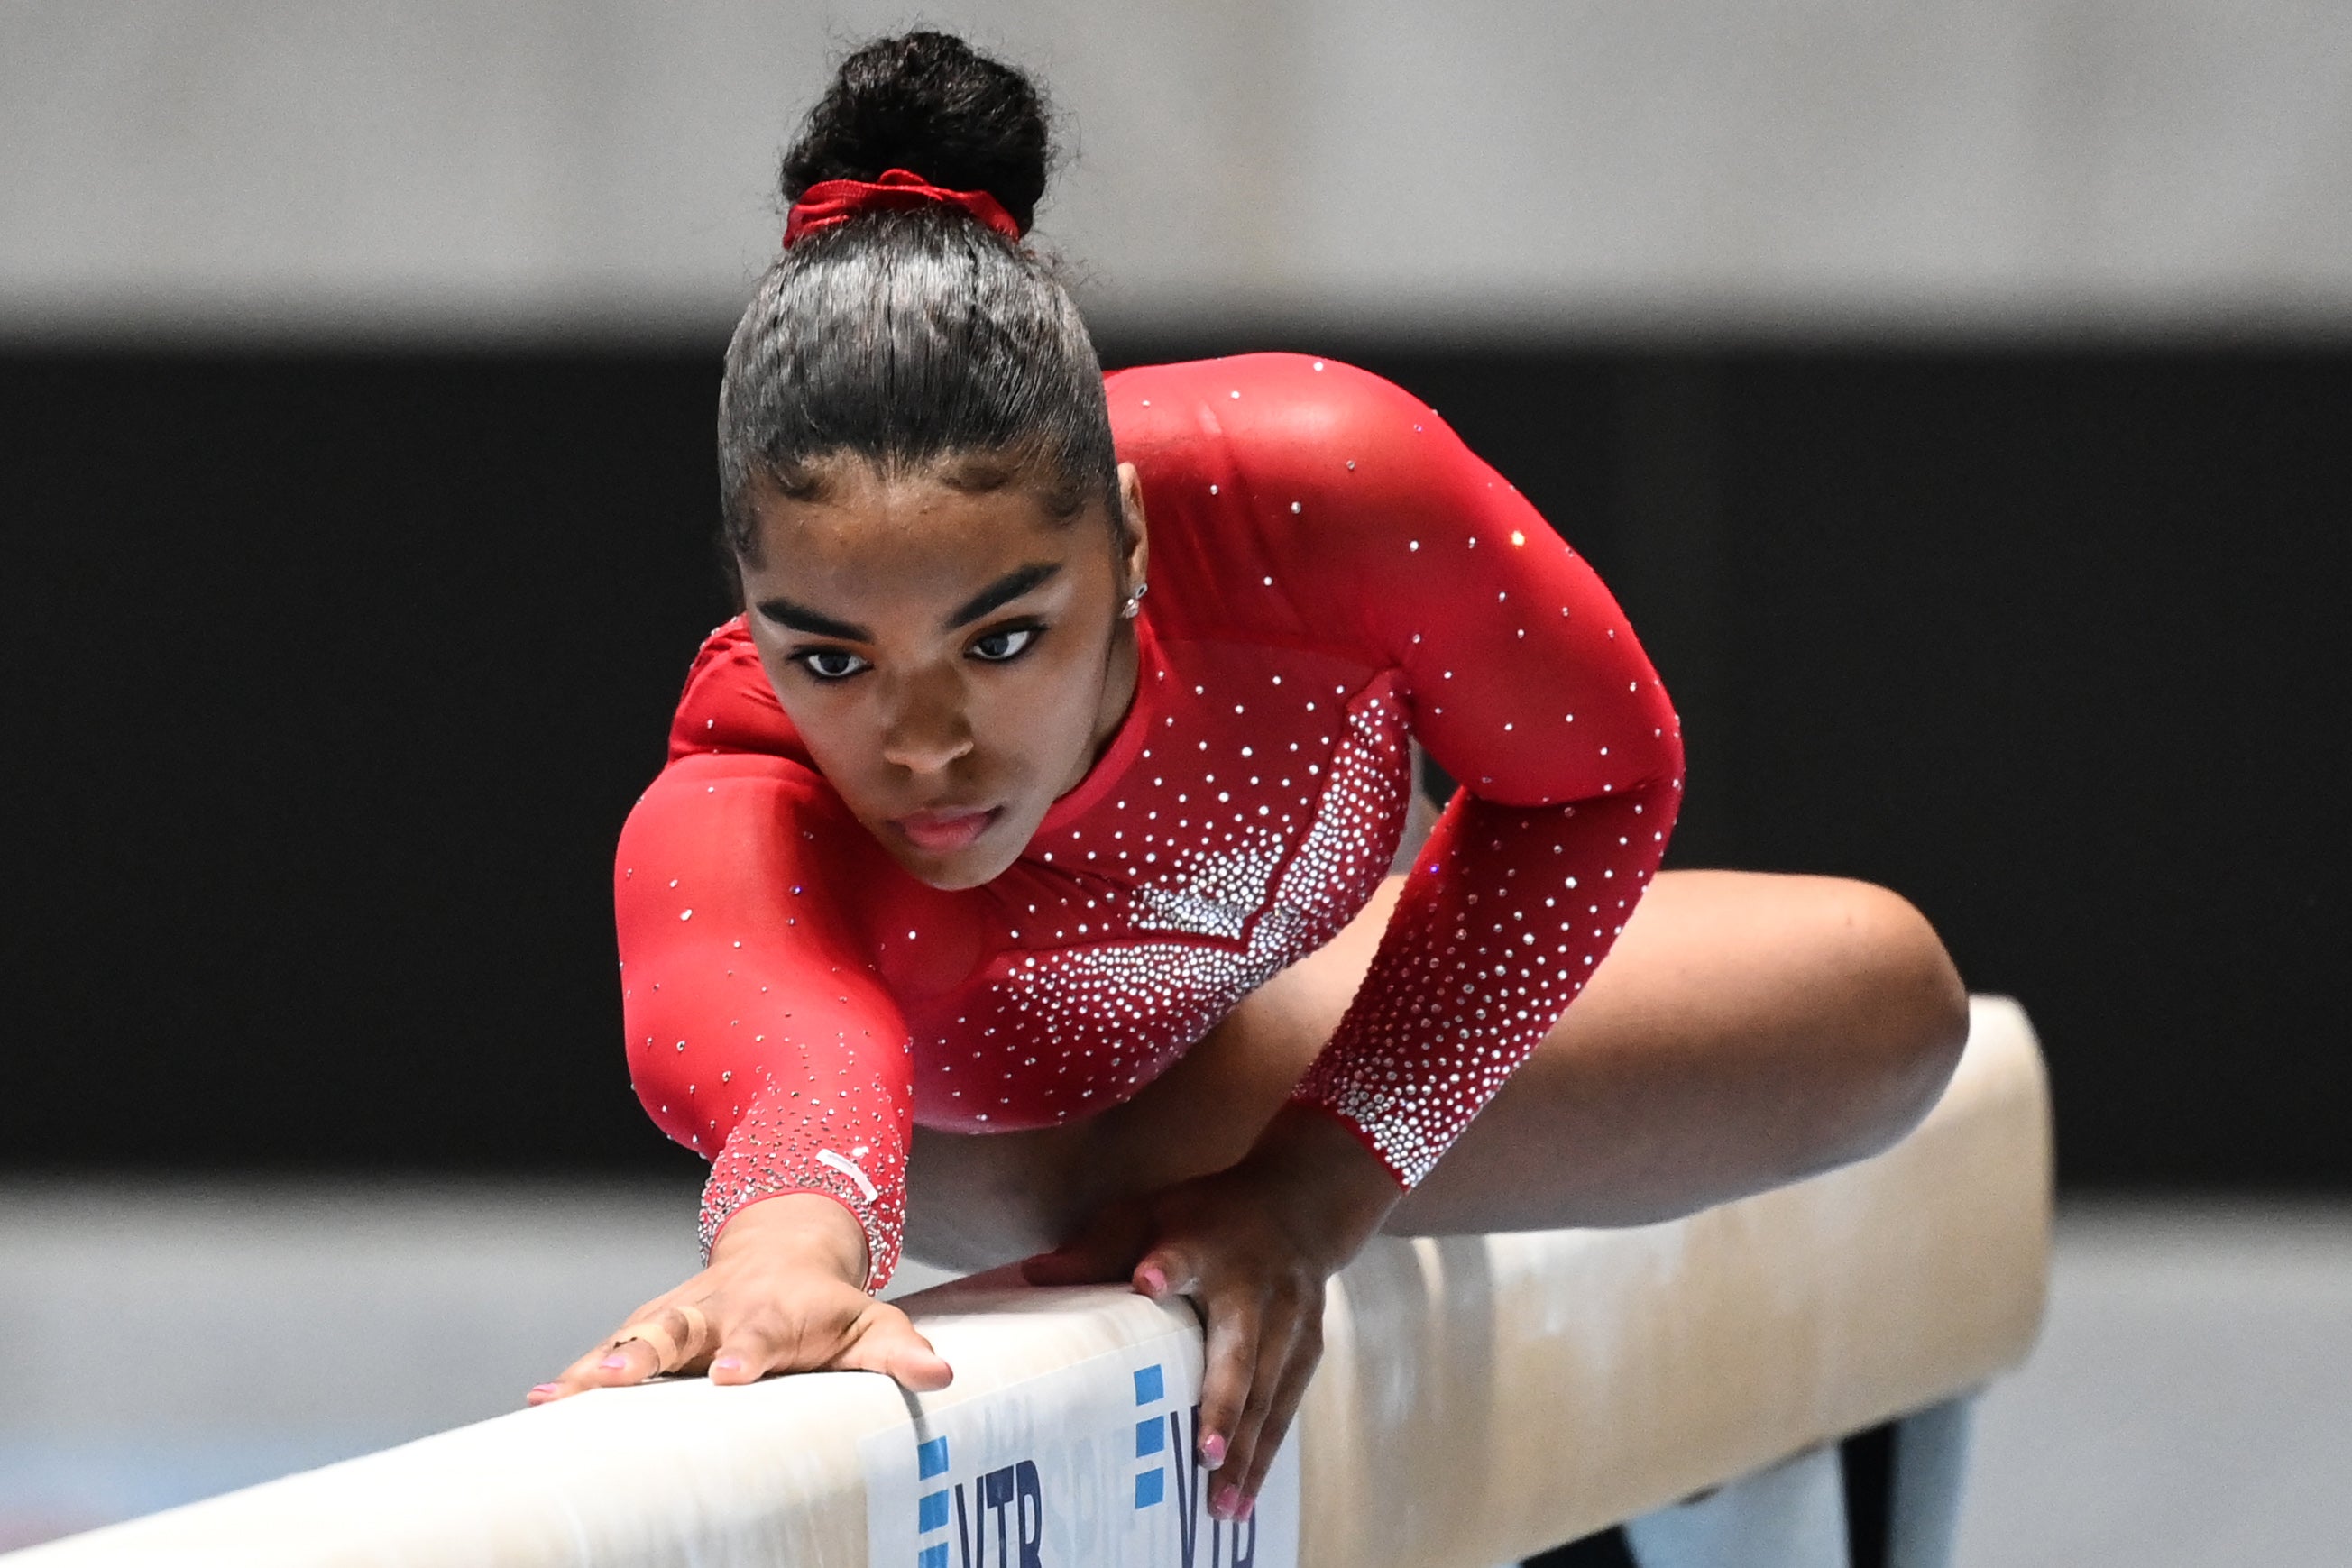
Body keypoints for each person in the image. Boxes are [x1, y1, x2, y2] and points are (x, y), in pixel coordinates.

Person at [527, 31, 1970, 1524]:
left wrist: (1321, 1187)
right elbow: (797, 1070)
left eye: (1004, 637)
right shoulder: (745, 802)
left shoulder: (1319, 498)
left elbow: (1595, 782)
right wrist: (791, 1248)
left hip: (1288, 1004)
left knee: (1882, 995)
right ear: (753, 612)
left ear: (1132, 543)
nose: (925, 743)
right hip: (1053, 1142)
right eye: (831, 658)